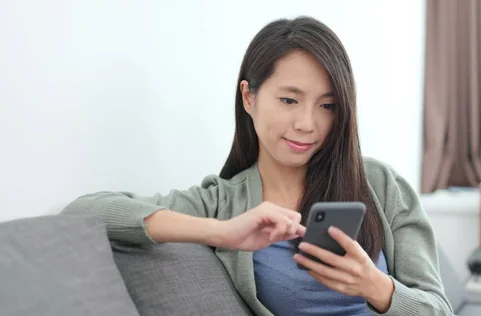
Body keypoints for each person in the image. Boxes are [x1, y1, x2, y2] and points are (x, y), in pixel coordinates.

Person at [62, 16, 454, 316]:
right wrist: (223, 232)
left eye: (327, 105)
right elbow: (86, 211)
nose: (307, 123)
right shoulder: (224, 201)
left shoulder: (381, 184)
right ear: (249, 97)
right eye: (289, 100)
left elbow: (438, 307)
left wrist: (377, 287)